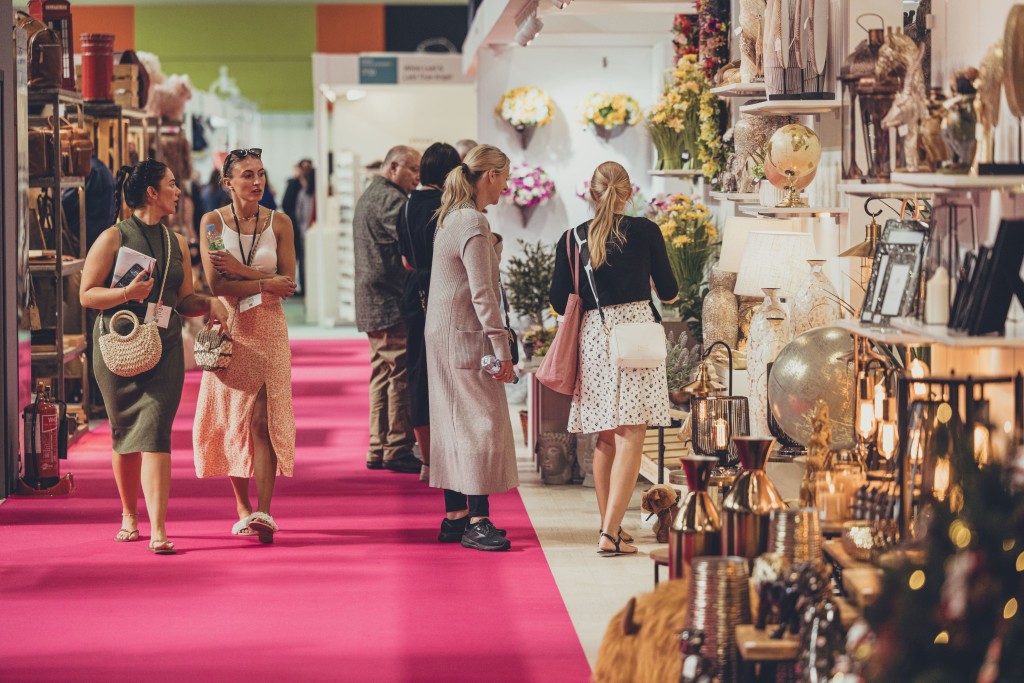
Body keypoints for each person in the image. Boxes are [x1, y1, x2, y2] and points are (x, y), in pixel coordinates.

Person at [79, 159, 230, 555]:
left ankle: (159, 528)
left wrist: (211, 304)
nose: (179, 191)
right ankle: (130, 515)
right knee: (124, 433)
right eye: (172, 184)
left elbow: (184, 299)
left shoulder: (177, 241)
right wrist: (128, 295)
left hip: (164, 346)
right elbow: (87, 295)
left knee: (157, 430)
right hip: (118, 342)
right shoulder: (113, 237)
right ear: (151, 193)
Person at [549, 161, 679, 557]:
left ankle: (612, 530)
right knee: (632, 434)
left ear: (592, 192)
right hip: (636, 336)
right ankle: (609, 534)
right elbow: (670, 292)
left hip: (594, 336)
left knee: (606, 435)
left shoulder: (571, 239)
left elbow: (558, 301)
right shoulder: (645, 231)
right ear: (629, 192)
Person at [193, 148, 298, 544]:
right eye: (247, 175)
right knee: (233, 416)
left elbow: (287, 284)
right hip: (231, 325)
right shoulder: (211, 224)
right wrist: (262, 281)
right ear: (228, 183)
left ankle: (265, 511)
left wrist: (243, 272)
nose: (257, 182)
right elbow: (217, 285)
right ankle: (241, 508)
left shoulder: (281, 223)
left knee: (263, 419)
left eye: (261, 174)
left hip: (269, 326)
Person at [427, 144, 518, 552]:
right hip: (466, 334)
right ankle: (479, 521)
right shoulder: (472, 222)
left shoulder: (451, 217)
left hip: (444, 333)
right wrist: (503, 348)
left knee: (451, 420)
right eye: (505, 177)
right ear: (490, 176)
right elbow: (484, 294)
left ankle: (455, 515)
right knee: (480, 421)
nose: (507, 187)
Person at [353, 145, 422, 474]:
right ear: (393, 167)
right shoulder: (392, 200)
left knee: (382, 373)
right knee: (398, 375)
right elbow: (412, 243)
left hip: (372, 298)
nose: (417, 178)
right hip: (389, 298)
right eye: (413, 170)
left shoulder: (371, 194)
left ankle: (377, 445)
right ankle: (396, 446)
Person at [396, 142, 462, 482]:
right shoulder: (449, 207)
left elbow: (405, 257)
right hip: (444, 289)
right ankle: (450, 453)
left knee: (418, 371)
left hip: (414, 288)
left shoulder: (406, 205)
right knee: (451, 370)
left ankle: (427, 459)